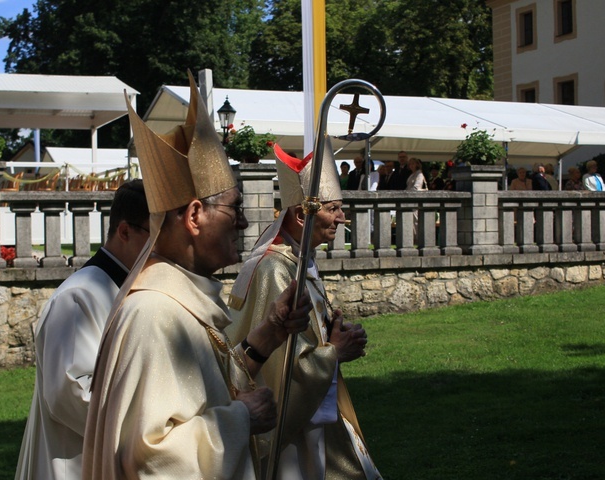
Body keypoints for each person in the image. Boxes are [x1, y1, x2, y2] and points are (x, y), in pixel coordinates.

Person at [82, 73, 311, 479]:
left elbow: (202, 392)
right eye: (233, 209)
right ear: (193, 216)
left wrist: (270, 332)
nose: (243, 224)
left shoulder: (173, 301)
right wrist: (240, 419)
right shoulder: (153, 313)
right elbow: (149, 457)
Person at [228, 141, 382, 480]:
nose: (343, 217)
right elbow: (282, 369)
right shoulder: (276, 271)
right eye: (334, 208)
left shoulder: (300, 260)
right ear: (302, 215)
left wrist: (331, 331)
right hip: (295, 433)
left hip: (316, 408)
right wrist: (335, 353)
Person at [14, 180, 149, 480]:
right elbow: (71, 392)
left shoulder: (125, 288)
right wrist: (154, 423)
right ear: (125, 231)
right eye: (157, 236)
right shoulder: (80, 297)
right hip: (73, 464)